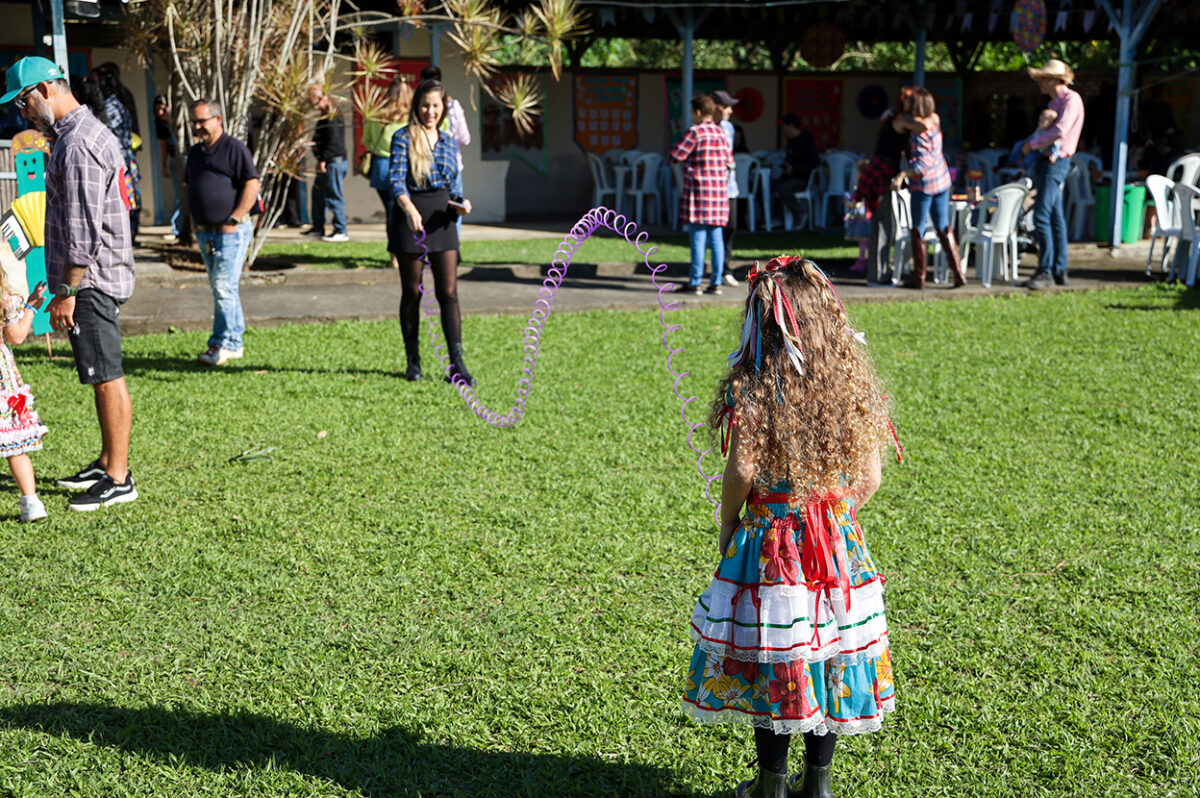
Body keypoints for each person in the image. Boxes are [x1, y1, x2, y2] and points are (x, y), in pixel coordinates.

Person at [684, 255, 896, 798]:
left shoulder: (754, 387)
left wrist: (730, 523)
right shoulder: (849, 382)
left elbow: (742, 471)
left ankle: (771, 786)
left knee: (777, 656)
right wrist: (834, 518)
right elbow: (870, 477)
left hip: (771, 544)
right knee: (828, 655)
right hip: (835, 543)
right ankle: (818, 786)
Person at [4, 56, 138, 510]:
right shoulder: (76, 135)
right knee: (99, 373)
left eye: (23, 102)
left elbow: (83, 231)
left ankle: (119, 478)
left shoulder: (78, 142)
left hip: (90, 281)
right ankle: (107, 461)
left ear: (45, 90)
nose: (23, 113)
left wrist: (68, 291)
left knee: (106, 375)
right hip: (91, 278)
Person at [388, 79, 475, 386]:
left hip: (443, 219)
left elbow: (452, 186)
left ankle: (457, 364)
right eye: (425, 105)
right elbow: (395, 181)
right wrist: (409, 209)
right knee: (412, 292)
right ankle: (413, 360)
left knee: (448, 293)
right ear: (417, 106)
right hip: (410, 217)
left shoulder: (449, 141)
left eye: (436, 105)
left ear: (443, 108)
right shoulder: (402, 137)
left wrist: (462, 204)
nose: (430, 111)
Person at [185, 98, 260, 366]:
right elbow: (190, 185)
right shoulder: (196, 153)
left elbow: (252, 184)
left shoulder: (234, 148)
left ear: (217, 119)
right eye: (194, 122)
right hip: (206, 232)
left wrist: (234, 218)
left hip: (230, 231)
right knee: (223, 287)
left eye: (202, 121)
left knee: (223, 287)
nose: (197, 127)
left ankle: (226, 343)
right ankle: (230, 340)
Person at [892, 87, 965, 289]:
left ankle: (919, 277)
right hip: (942, 180)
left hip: (924, 186)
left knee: (918, 228)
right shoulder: (935, 120)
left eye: (909, 101)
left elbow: (922, 167)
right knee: (944, 226)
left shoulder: (918, 133)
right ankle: (959, 274)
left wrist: (903, 174)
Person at [1022, 59, 1083, 290]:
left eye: (1042, 79)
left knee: (1041, 216)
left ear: (1052, 80)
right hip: (1047, 162)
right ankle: (1058, 269)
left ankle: (1045, 270)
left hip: (1056, 163)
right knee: (1056, 217)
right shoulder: (1054, 103)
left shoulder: (1071, 100)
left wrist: (1032, 144)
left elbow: (1061, 130)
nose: (1039, 83)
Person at [669, 94, 731, 295]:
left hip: (698, 193)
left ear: (697, 112)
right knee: (717, 239)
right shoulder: (721, 132)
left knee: (697, 238)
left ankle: (695, 282)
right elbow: (729, 161)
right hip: (719, 194)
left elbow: (676, 156)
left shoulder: (695, 132)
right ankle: (716, 282)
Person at [0, 275, 49, 522]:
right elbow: (17, 336)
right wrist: (31, 307)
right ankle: (31, 502)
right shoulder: (4, 300)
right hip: (3, 382)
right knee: (15, 448)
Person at [853, 86, 912, 284]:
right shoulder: (900, 119)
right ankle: (877, 275)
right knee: (882, 223)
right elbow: (920, 127)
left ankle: (879, 272)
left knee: (883, 223)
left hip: (881, 170)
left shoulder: (891, 118)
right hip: (882, 173)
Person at [361, 77, 412, 269]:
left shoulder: (377, 116)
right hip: (405, 167)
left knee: (391, 212)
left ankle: (394, 254)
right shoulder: (411, 117)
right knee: (403, 212)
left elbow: (367, 141)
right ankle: (404, 250)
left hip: (382, 167)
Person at [420, 65, 470, 242]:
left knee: (455, 203)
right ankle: (452, 243)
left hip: (428, 165)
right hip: (451, 163)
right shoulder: (453, 105)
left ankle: (447, 245)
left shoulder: (424, 107)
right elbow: (464, 138)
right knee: (454, 208)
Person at [92, 64, 141, 239]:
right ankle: (132, 231)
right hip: (127, 155)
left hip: (120, 158)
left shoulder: (111, 106)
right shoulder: (121, 100)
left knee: (124, 195)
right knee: (130, 194)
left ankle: (130, 231)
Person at [306, 84, 349, 242]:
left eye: (315, 102)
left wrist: (323, 158)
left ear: (322, 98)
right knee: (318, 195)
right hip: (327, 161)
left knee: (334, 196)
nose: (315, 107)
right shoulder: (325, 115)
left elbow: (334, 142)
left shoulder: (333, 115)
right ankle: (318, 227)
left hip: (333, 162)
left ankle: (341, 229)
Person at [711, 89, 741, 288]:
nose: (730, 110)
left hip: (729, 187)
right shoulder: (705, 128)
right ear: (716, 108)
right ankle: (714, 271)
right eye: (726, 106)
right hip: (712, 188)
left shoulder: (729, 128)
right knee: (713, 232)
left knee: (730, 227)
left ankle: (725, 269)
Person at [774, 112, 820, 223]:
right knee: (766, 185)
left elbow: (814, 162)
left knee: (783, 188)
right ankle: (778, 219)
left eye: (783, 126)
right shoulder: (791, 142)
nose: (782, 130)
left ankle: (800, 214)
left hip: (802, 179)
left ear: (790, 126)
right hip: (789, 177)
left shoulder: (806, 140)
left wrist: (795, 169)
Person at [153, 94, 185, 242]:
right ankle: (176, 228)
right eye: (157, 110)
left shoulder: (181, 121)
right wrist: (163, 165)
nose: (160, 113)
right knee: (180, 195)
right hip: (173, 160)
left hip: (186, 158)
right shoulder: (161, 125)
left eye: (163, 109)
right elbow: (163, 146)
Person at [1010, 109, 1062, 174]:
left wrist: (1054, 156)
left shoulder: (1051, 134)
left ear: (1051, 123)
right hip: (1029, 143)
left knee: (1029, 159)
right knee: (1017, 144)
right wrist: (1027, 141)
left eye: (1043, 121)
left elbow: (1056, 146)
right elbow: (1033, 136)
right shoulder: (1039, 129)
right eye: (1039, 121)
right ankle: (1013, 162)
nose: (1039, 123)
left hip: (1038, 150)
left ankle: (1021, 171)